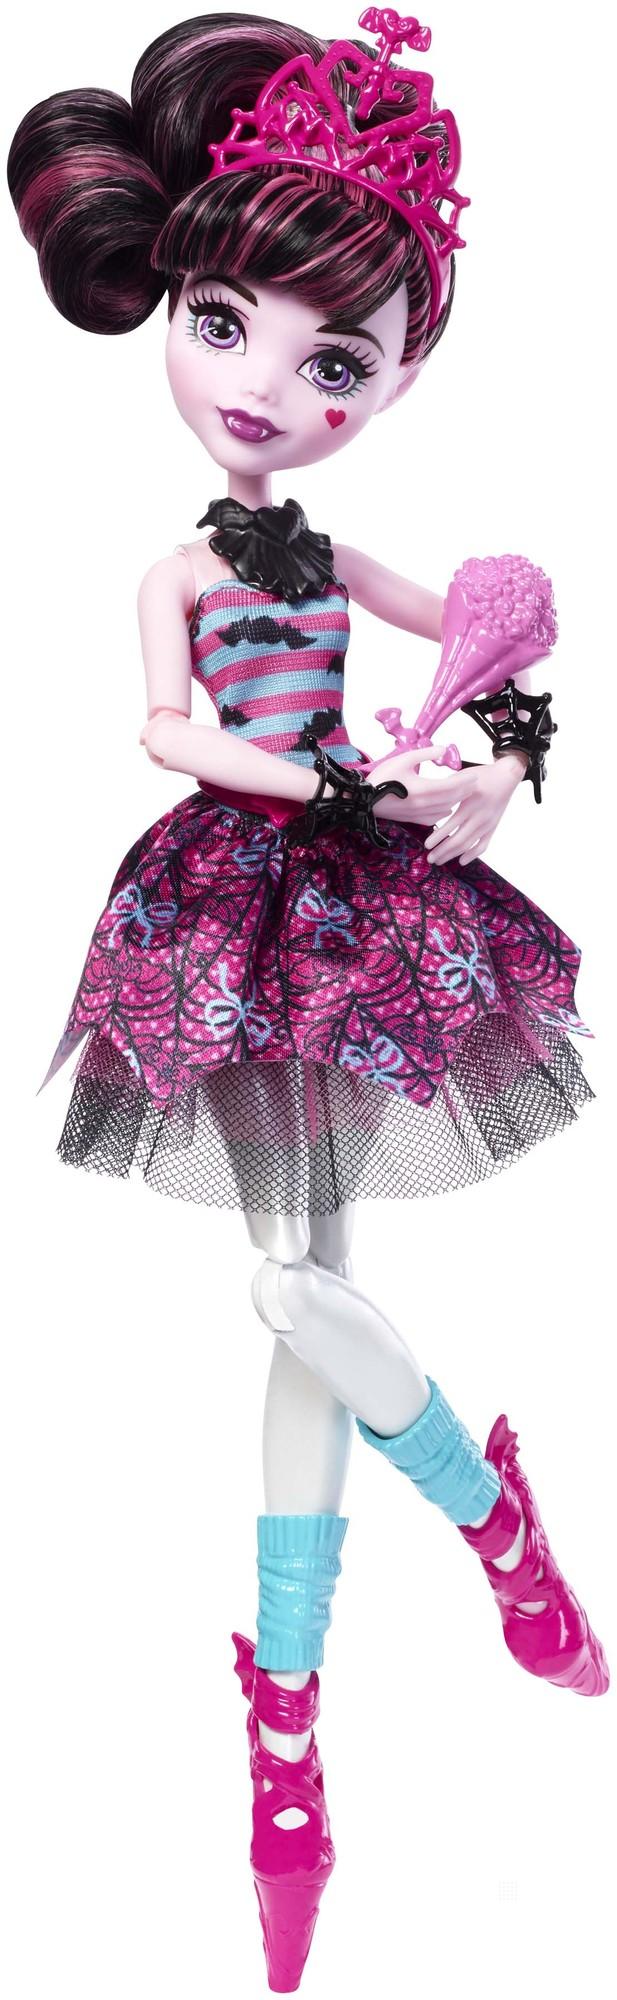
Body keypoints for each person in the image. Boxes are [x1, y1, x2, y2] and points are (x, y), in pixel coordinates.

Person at [7, 11, 608, 1990]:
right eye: (221, 324)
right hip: (233, 899)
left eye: (334, 360)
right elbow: (165, 730)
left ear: (399, 375)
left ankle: (287, 1742)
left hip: (359, 906)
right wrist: (324, 780)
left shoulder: (334, 547)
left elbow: (498, 633)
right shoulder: (181, 570)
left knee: (302, 1286)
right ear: (169, 309)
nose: (263, 386)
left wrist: (491, 760)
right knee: (292, 1286)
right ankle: (490, 1529)